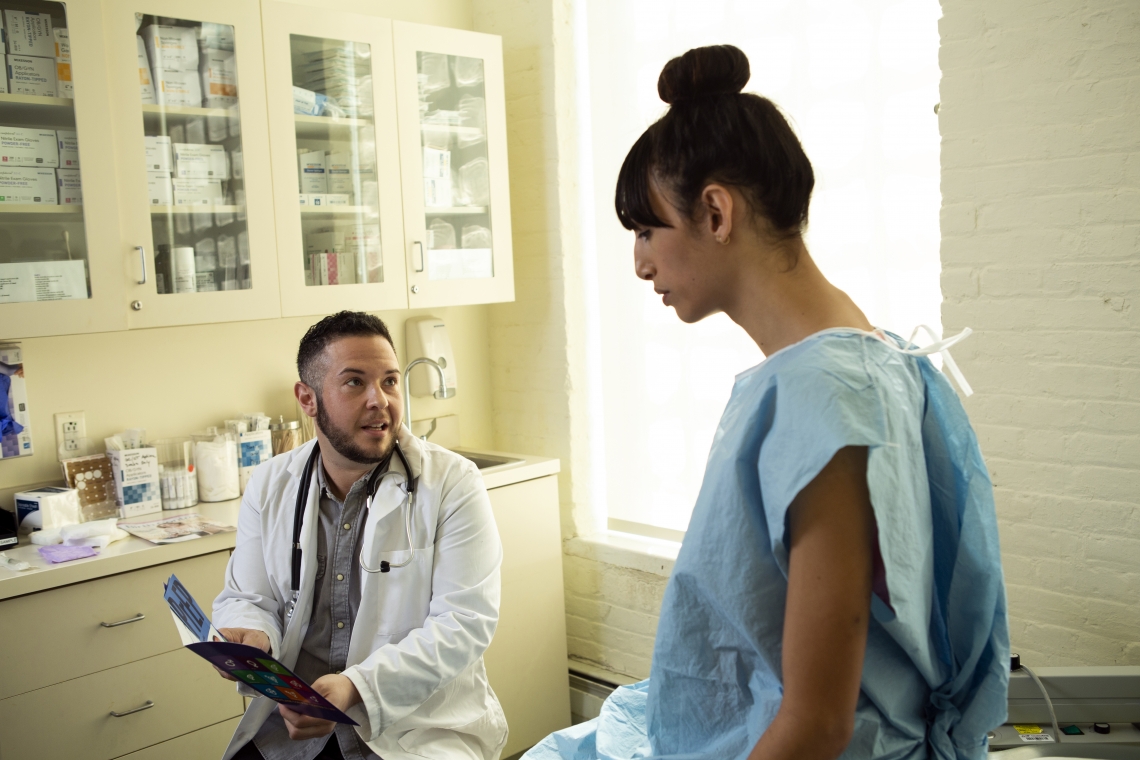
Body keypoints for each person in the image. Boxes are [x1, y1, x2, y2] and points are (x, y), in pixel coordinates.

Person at [525, 46, 1008, 760]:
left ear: (716, 212)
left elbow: (816, 725)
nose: (639, 262)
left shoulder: (824, 397)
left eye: (646, 228)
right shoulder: (872, 356)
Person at [214, 311, 507, 760]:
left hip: (413, 729)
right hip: (294, 731)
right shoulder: (270, 484)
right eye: (355, 382)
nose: (380, 400)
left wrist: (355, 688)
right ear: (307, 399)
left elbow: (463, 624)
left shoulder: (452, 483)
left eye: (389, 381)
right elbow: (248, 596)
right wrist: (253, 635)